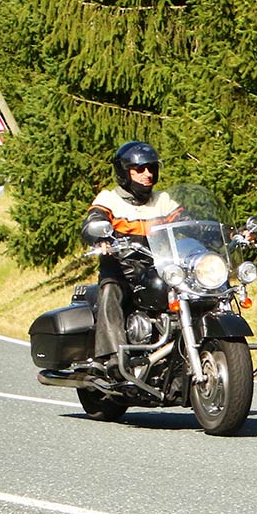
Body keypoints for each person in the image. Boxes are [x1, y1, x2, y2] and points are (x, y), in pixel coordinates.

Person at [79, 141, 185, 370]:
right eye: (140, 169)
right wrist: (101, 237)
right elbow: (92, 222)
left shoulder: (163, 200)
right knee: (110, 291)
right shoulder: (109, 199)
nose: (147, 174)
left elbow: (188, 224)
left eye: (151, 168)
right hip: (121, 268)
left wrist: (224, 234)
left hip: (159, 268)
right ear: (125, 173)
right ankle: (112, 357)